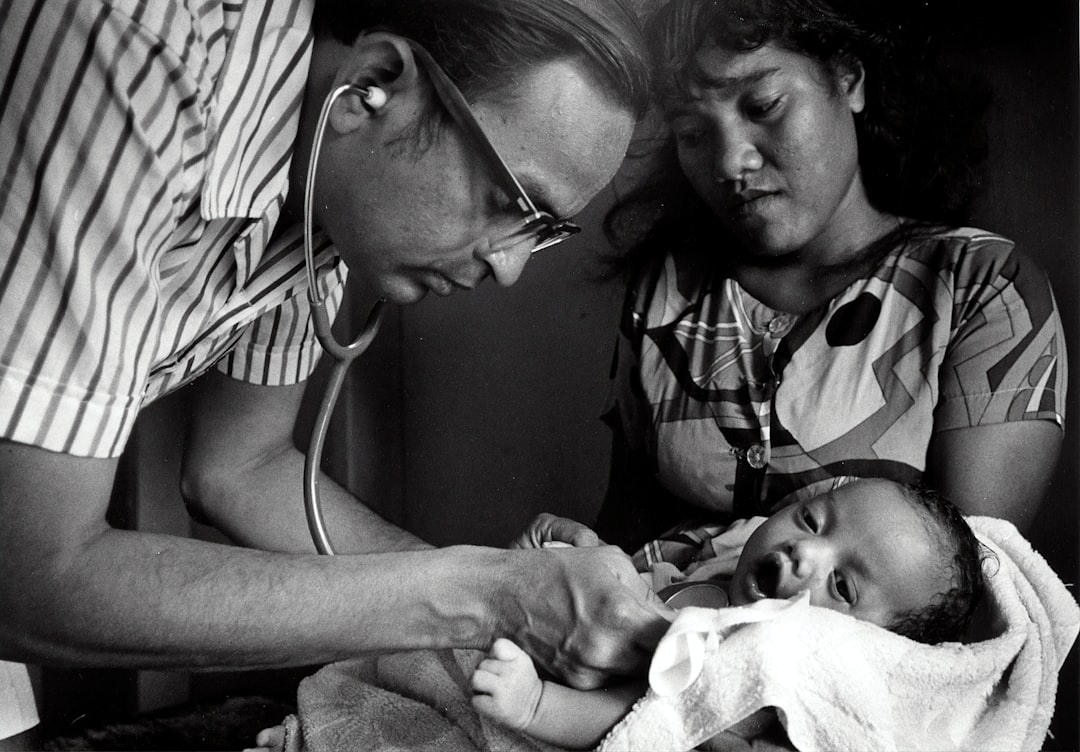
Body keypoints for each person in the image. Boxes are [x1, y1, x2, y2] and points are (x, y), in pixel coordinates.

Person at [0, 0, 671, 740]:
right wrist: (488, 597)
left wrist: (508, 604)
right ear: (376, 81)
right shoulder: (136, 47)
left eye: (540, 232)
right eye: (509, 203)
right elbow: (31, 575)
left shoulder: (332, 180)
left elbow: (241, 466)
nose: (508, 268)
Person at [594, 0, 1067, 558]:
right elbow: (619, 549)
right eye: (692, 134)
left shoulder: (982, 288)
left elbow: (971, 589)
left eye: (763, 105)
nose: (730, 162)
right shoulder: (667, 293)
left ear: (849, 79)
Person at [468, 478, 986, 750]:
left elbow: (639, 716)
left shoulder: (758, 673)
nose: (806, 551)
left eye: (842, 584)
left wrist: (535, 705)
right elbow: (649, 586)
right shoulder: (724, 563)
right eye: (811, 519)